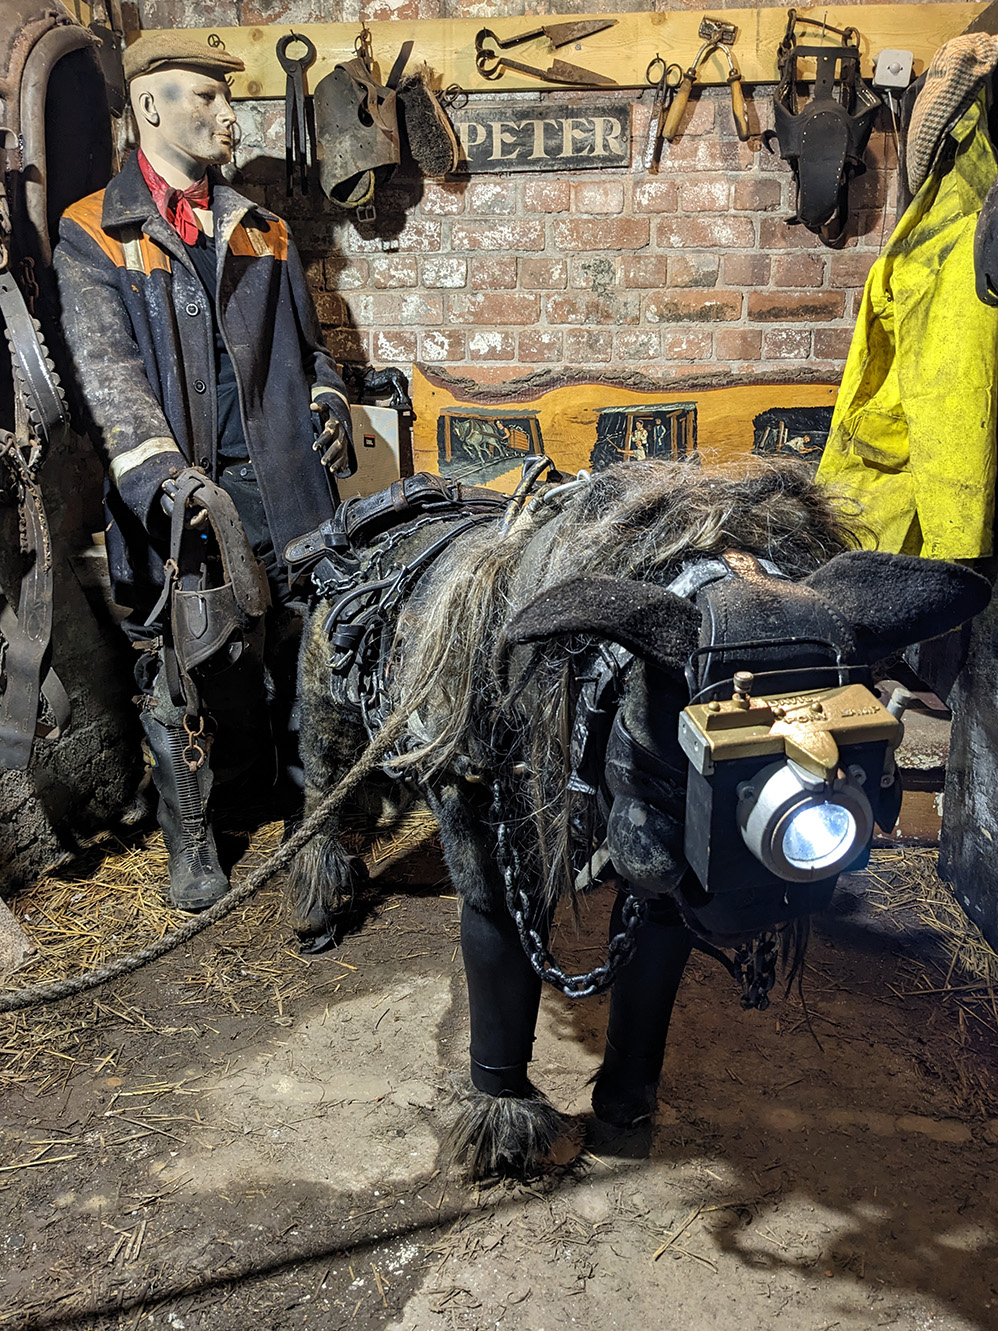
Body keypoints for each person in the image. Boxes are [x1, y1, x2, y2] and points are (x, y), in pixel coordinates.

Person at [54, 33, 355, 911]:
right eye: (206, 96)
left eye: (228, 96)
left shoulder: (263, 229)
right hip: (180, 499)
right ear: (150, 106)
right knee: (177, 666)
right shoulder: (95, 233)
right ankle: (191, 838)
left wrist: (330, 400)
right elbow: (107, 379)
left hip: (282, 486)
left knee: (302, 651)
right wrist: (160, 478)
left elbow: (313, 353)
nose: (229, 113)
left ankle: (307, 815)